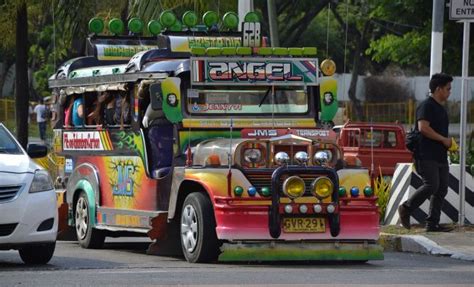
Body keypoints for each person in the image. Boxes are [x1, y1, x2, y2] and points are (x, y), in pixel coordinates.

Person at [398, 73, 454, 232]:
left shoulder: (441, 109)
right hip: (426, 154)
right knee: (431, 185)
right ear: (438, 89)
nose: (450, 92)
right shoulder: (426, 106)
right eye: (448, 89)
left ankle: (432, 223)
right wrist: (443, 139)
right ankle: (406, 208)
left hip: (440, 155)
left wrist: (448, 143)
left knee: (442, 188)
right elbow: (423, 128)